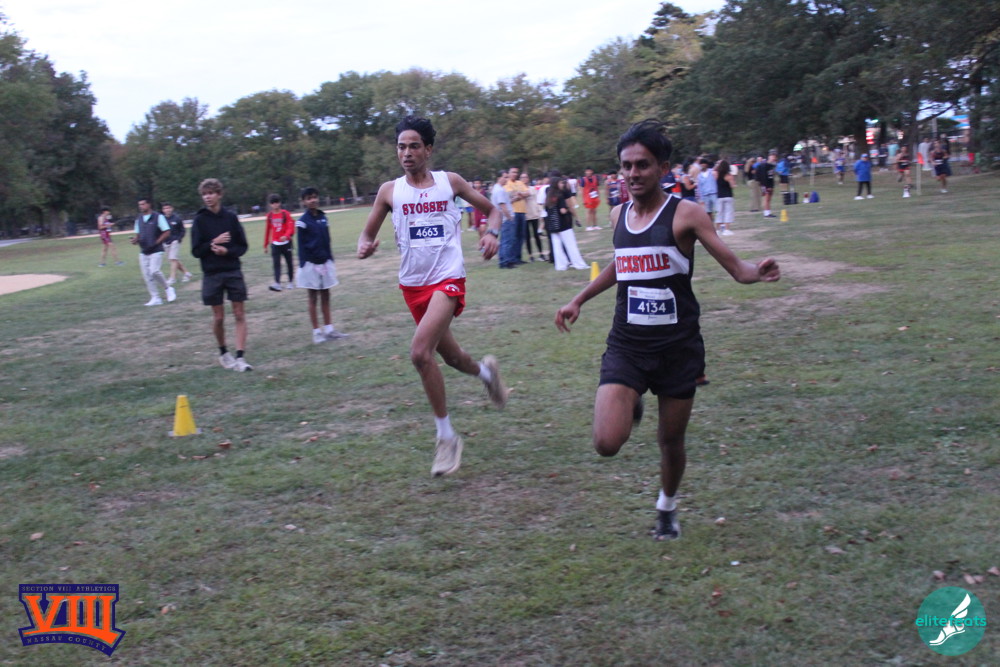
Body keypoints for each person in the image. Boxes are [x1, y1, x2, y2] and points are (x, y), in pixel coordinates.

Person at [554, 120, 780, 541]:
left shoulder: (686, 214)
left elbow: (736, 268)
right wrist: (579, 299)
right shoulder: (618, 214)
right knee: (606, 442)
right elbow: (622, 265)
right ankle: (631, 398)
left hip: (678, 348)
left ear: (662, 168)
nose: (633, 173)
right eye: (626, 165)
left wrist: (758, 271)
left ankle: (667, 506)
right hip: (628, 344)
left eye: (642, 165)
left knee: (670, 441)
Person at [357, 115, 509, 477]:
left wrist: (491, 234)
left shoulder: (449, 182)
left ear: (428, 149)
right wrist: (365, 245)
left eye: (414, 146)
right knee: (452, 358)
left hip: (448, 279)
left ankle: (446, 437)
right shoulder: (389, 191)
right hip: (413, 286)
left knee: (419, 353)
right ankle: (487, 374)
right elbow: (366, 234)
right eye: (401, 147)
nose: (406, 153)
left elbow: (493, 211)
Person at [190, 178, 252, 372]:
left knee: (239, 314)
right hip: (212, 274)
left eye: (211, 193)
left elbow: (242, 246)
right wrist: (212, 243)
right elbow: (196, 251)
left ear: (219, 194)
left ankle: (240, 357)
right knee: (218, 318)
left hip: (232, 270)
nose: (207, 197)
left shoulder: (230, 218)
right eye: (204, 194)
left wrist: (227, 251)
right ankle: (224, 353)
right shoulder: (200, 220)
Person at [294, 187, 349, 343]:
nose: (313, 200)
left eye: (314, 197)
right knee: (313, 297)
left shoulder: (323, 217)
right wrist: (304, 264)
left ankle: (329, 329)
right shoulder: (302, 222)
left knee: (326, 295)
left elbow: (327, 240)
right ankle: (317, 333)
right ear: (304, 202)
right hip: (310, 264)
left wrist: (329, 258)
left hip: (325, 262)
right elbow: (301, 246)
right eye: (309, 198)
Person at [131, 199, 176, 306]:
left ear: (149, 204)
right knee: (147, 276)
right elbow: (138, 235)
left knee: (154, 271)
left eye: (143, 204)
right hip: (144, 251)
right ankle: (155, 297)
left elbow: (167, 232)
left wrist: (156, 242)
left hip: (156, 250)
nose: (141, 206)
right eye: (139, 204)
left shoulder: (158, 217)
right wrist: (135, 240)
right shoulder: (139, 219)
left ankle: (168, 288)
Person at [544, 176, 589, 271]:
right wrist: (569, 211)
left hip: (553, 225)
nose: (562, 185)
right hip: (563, 224)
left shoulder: (548, 196)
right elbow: (563, 210)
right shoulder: (560, 195)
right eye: (561, 183)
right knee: (571, 244)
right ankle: (579, 264)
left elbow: (547, 210)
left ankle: (561, 265)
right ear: (556, 184)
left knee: (557, 246)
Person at [263, 193, 296, 291]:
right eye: (273, 203)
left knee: (289, 263)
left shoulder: (285, 214)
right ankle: (277, 283)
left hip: (286, 243)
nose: (275, 205)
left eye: (277, 202)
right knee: (276, 264)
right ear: (270, 204)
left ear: (280, 203)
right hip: (275, 244)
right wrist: (265, 245)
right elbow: (267, 230)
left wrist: (286, 236)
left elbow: (290, 227)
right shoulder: (269, 216)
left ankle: (290, 282)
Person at [162, 202, 193, 285]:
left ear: (172, 208)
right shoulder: (162, 219)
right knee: (174, 260)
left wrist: (178, 239)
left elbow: (182, 230)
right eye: (165, 208)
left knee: (173, 258)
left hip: (175, 242)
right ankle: (187, 273)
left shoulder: (177, 218)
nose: (167, 210)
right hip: (166, 242)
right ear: (163, 210)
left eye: (168, 208)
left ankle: (172, 278)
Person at [491, 171, 516, 269]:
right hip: (505, 219)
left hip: (501, 219)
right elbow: (503, 206)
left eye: (507, 177)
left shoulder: (497, 189)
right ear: (499, 178)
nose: (507, 179)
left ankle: (502, 260)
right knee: (507, 241)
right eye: (505, 177)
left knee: (503, 240)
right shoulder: (500, 190)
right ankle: (506, 261)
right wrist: (509, 217)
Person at [505, 166, 530, 263]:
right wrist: (520, 195)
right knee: (513, 236)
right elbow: (510, 196)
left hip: (522, 212)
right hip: (513, 212)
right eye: (513, 172)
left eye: (516, 172)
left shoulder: (520, 183)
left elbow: (528, 193)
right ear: (509, 173)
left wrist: (519, 195)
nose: (515, 174)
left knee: (521, 236)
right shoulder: (507, 184)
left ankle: (518, 257)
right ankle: (512, 258)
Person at [521, 173, 546, 261]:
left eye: (526, 177)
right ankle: (530, 255)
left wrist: (540, 211)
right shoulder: (519, 191)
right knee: (527, 237)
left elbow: (537, 201)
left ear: (528, 178)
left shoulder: (533, 189)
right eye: (522, 177)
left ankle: (541, 253)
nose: (524, 179)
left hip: (534, 214)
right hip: (525, 216)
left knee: (537, 235)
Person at [715, 159, 735, 236]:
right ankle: (726, 229)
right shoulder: (729, 175)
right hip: (728, 195)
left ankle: (717, 230)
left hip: (719, 196)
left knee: (719, 213)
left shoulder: (717, 174)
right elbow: (732, 185)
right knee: (728, 212)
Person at [755, 152, 778, 217]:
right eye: (772, 156)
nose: (774, 158)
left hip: (770, 184)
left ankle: (768, 212)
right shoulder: (764, 165)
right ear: (769, 157)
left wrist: (771, 185)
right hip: (765, 184)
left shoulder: (771, 166)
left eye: (775, 157)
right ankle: (766, 213)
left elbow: (771, 176)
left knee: (769, 199)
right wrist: (766, 186)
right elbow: (763, 176)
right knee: (766, 198)